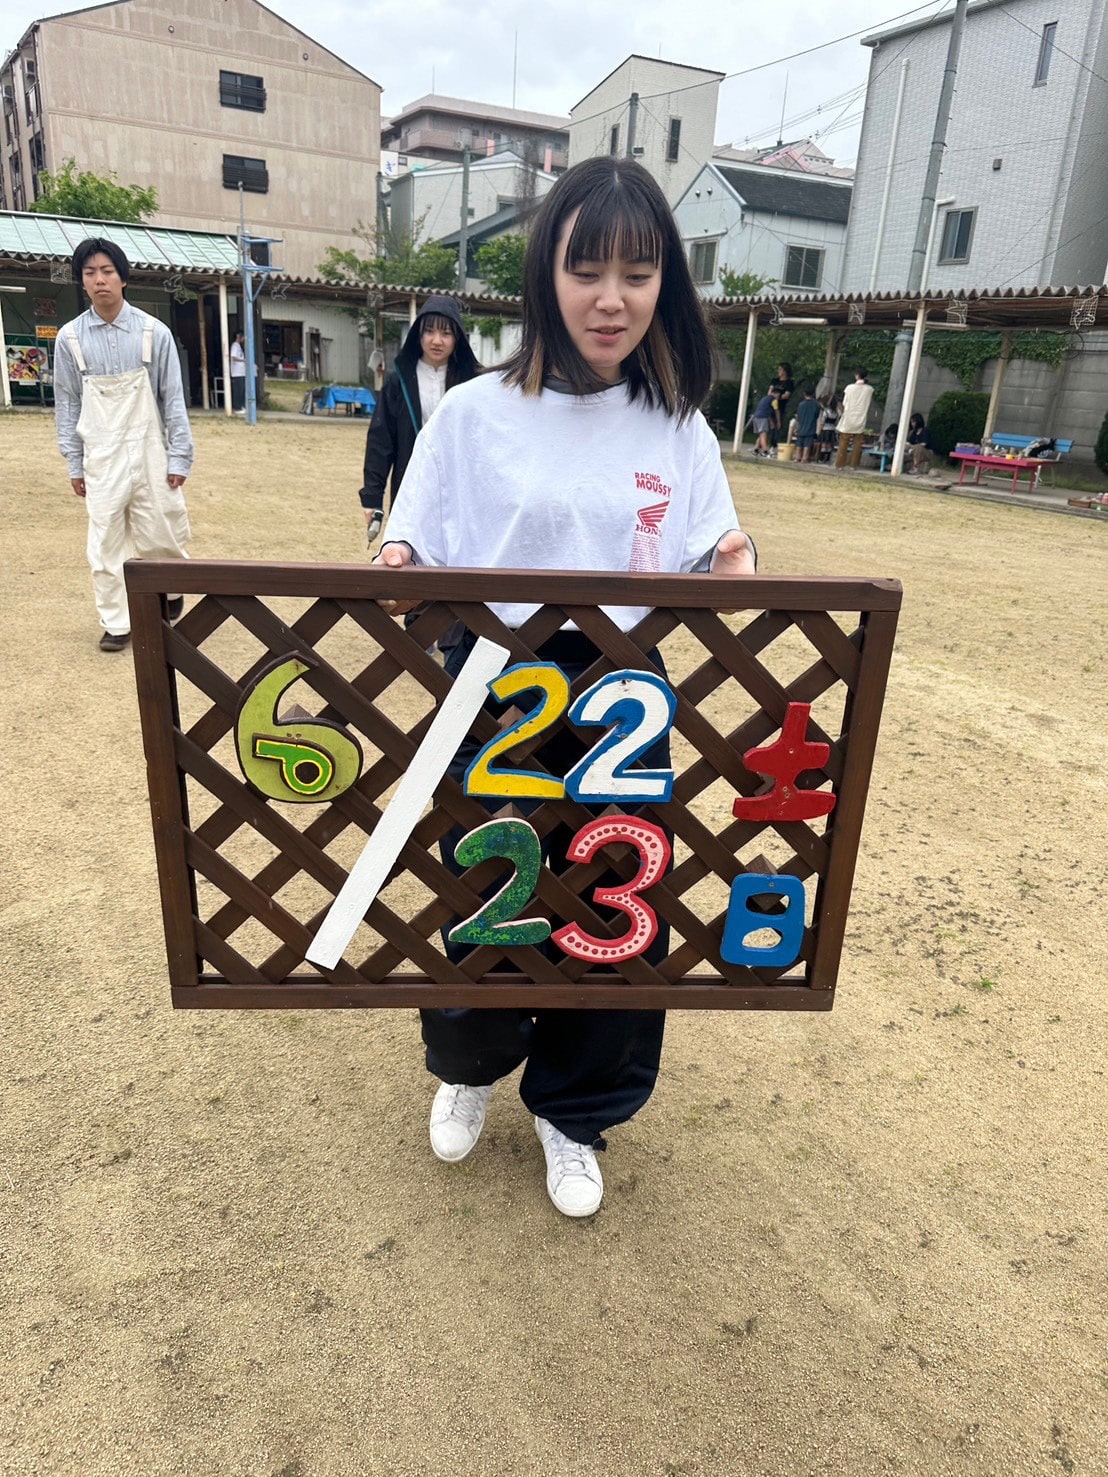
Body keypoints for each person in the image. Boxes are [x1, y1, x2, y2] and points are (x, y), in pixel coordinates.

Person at [375, 156, 757, 1219]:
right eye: (587, 270)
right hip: (496, 683)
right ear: (546, 273)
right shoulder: (473, 412)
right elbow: (412, 539)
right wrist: (398, 561)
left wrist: (734, 557)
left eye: (638, 273)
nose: (611, 299)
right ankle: (469, 1064)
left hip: (624, 696)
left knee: (614, 896)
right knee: (487, 878)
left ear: (665, 284)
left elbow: (714, 548)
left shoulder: (676, 422)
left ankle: (576, 1108)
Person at [54, 238, 193, 652]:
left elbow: (172, 398)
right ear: (82, 281)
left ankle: (171, 591)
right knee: (105, 540)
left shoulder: (154, 333)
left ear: (123, 278)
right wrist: (74, 463)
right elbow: (67, 403)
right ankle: (117, 622)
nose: (99, 280)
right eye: (90, 273)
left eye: (107, 271)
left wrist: (179, 455)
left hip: (152, 450)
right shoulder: (70, 339)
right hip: (101, 454)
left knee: (162, 530)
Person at [358, 296, 480, 545]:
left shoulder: (472, 384)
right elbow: (381, 442)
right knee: (409, 550)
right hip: (411, 483)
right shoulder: (398, 382)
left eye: (446, 333)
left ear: (457, 338)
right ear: (418, 335)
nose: (437, 340)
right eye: (429, 331)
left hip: (459, 488)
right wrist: (372, 498)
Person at [835, 368, 875, 469]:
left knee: (844, 441)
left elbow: (844, 402)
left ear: (857, 375)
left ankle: (840, 465)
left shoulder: (849, 388)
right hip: (861, 417)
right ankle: (854, 465)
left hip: (849, 417)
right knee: (857, 443)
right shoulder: (869, 389)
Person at [769, 361, 794, 451]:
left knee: (777, 425)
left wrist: (779, 397)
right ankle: (767, 444)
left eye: (780, 369)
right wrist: (773, 396)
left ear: (785, 371)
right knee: (770, 424)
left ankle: (774, 445)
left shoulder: (789, 382)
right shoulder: (775, 380)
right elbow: (770, 391)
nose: (778, 371)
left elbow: (787, 395)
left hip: (780, 406)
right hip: (771, 405)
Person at [794, 384, 820, 462]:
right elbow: (817, 416)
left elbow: (798, 417)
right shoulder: (816, 405)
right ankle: (804, 458)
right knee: (807, 444)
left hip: (801, 427)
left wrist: (796, 428)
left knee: (799, 443)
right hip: (810, 427)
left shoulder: (801, 404)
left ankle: (797, 457)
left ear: (804, 393)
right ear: (813, 394)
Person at [751, 384, 778, 456]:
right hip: (762, 417)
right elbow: (776, 411)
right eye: (778, 395)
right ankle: (765, 451)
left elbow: (766, 410)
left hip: (756, 416)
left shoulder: (765, 398)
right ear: (776, 394)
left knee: (761, 433)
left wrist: (770, 421)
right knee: (763, 434)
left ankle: (756, 449)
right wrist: (778, 421)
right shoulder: (774, 400)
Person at [817, 392, 839, 462]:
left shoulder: (826, 411)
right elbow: (836, 422)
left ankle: (821, 458)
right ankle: (827, 459)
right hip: (832, 430)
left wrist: (820, 430)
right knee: (829, 445)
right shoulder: (836, 412)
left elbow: (822, 421)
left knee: (824, 444)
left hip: (825, 429)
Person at [229, 330, 247, 413]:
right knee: (238, 390)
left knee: (242, 390)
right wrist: (243, 360)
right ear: (238, 336)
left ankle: (241, 406)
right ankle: (237, 407)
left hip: (241, 372)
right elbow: (233, 357)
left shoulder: (239, 346)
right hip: (237, 372)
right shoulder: (235, 346)